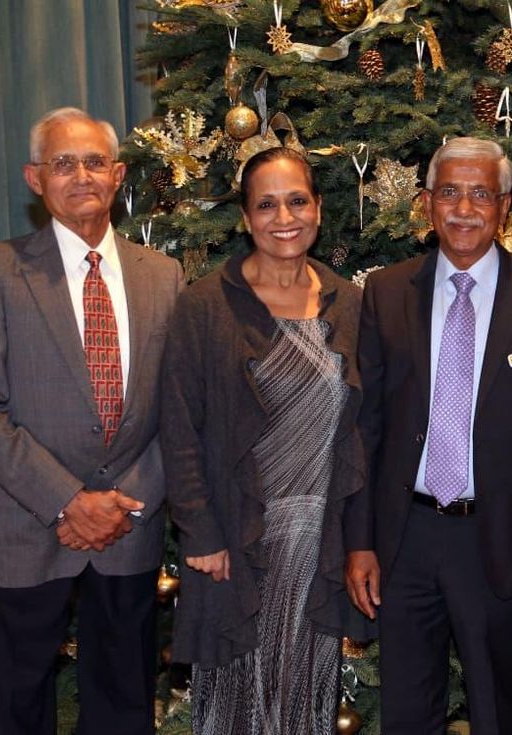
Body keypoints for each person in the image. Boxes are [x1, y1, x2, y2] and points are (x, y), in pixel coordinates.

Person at [344, 137, 512, 734]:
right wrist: (360, 541)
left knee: (497, 709)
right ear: (427, 204)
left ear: (506, 206)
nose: (464, 208)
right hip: (405, 539)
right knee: (407, 712)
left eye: (481, 193)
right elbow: (365, 427)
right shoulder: (386, 291)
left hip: (498, 540)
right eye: (449, 192)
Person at [0, 107, 183, 734]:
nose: (81, 176)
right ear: (35, 179)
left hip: (128, 525)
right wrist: (68, 501)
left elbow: (180, 408)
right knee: (14, 701)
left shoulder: (163, 276)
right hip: (27, 525)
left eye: (95, 162)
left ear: (117, 175)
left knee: (122, 701)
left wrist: (124, 502)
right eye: (64, 163)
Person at [161, 146, 363, 734]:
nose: (284, 217)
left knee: (305, 695)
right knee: (235, 699)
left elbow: (362, 432)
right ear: (246, 219)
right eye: (266, 205)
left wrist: (359, 538)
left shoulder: (347, 302)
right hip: (237, 538)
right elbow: (179, 425)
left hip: (319, 542)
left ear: (318, 209)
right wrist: (200, 530)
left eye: (297, 200)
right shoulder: (205, 304)